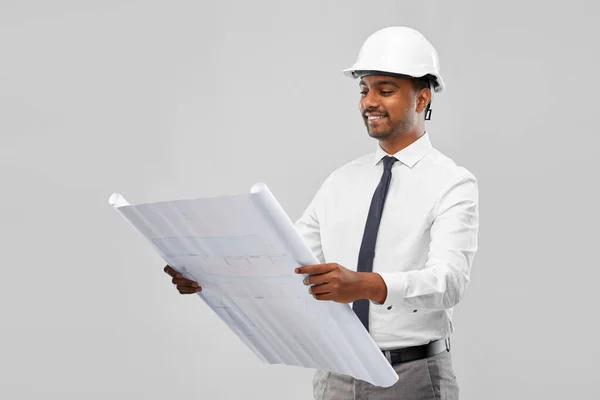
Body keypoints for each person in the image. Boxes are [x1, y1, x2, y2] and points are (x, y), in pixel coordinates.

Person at [164, 26, 479, 400]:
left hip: (411, 376)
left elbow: (449, 282)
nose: (369, 101)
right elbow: (281, 261)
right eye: (364, 90)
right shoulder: (341, 181)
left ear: (422, 97)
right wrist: (208, 276)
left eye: (385, 90)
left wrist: (366, 285)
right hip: (336, 372)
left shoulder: (453, 183)